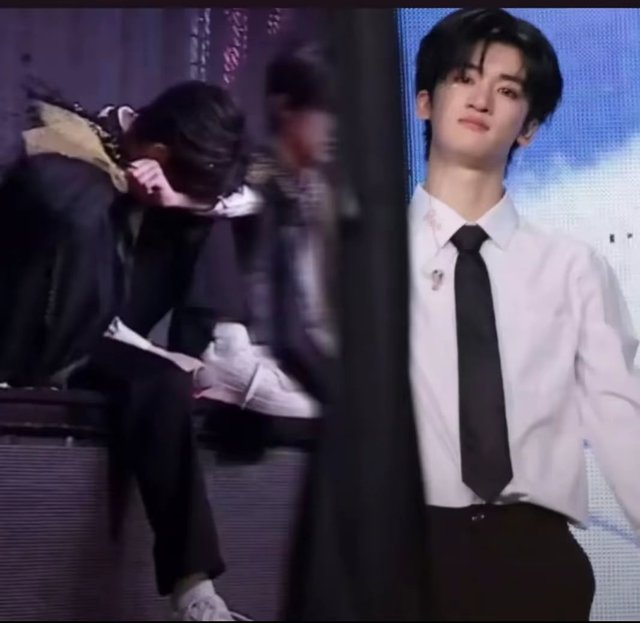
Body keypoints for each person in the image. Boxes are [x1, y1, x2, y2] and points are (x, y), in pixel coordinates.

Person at [406, 8, 640, 620]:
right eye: (464, 78)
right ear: (425, 101)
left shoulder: (573, 267)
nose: (482, 99)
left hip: (535, 558)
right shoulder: (372, 261)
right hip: (404, 551)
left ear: (529, 129)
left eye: (508, 90)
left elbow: (622, 422)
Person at [0, 81, 259, 620]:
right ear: (157, 152)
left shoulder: (163, 171)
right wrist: (129, 192)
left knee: (163, 380)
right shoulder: (67, 153)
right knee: (91, 199)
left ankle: (195, 593)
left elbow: (247, 197)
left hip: (101, 338)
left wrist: (180, 200)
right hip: (38, 338)